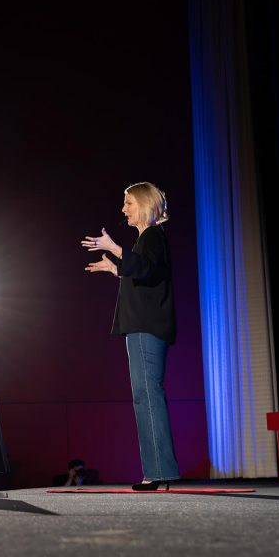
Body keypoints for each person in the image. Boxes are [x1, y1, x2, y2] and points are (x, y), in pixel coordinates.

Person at [82, 181, 180, 491]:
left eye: (129, 203)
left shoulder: (152, 236)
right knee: (146, 395)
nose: (123, 209)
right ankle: (158, 471)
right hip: (144, 327)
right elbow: (144, 273)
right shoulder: (147, 240)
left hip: (146, 328)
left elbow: (146, 269)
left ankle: (159, 472)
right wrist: (116, 269)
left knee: (147, 395)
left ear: (145, 204)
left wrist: (114, 249)